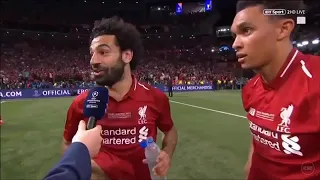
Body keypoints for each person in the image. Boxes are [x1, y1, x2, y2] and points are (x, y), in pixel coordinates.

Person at [62, 16, 178, 180]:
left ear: (127, 55)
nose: (93, 61)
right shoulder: (82, 103)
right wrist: (82, 167)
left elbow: (170, 131)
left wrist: (166, 153)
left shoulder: (156, 98)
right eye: (92, 53)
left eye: (103, 52)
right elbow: (67, 144)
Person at [231, 1, 320, 180]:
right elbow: (258, 138)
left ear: (283, 29)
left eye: (246, 30)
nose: (235, 44)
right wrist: (250, 166)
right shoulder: (250, 88)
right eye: (234, 35)